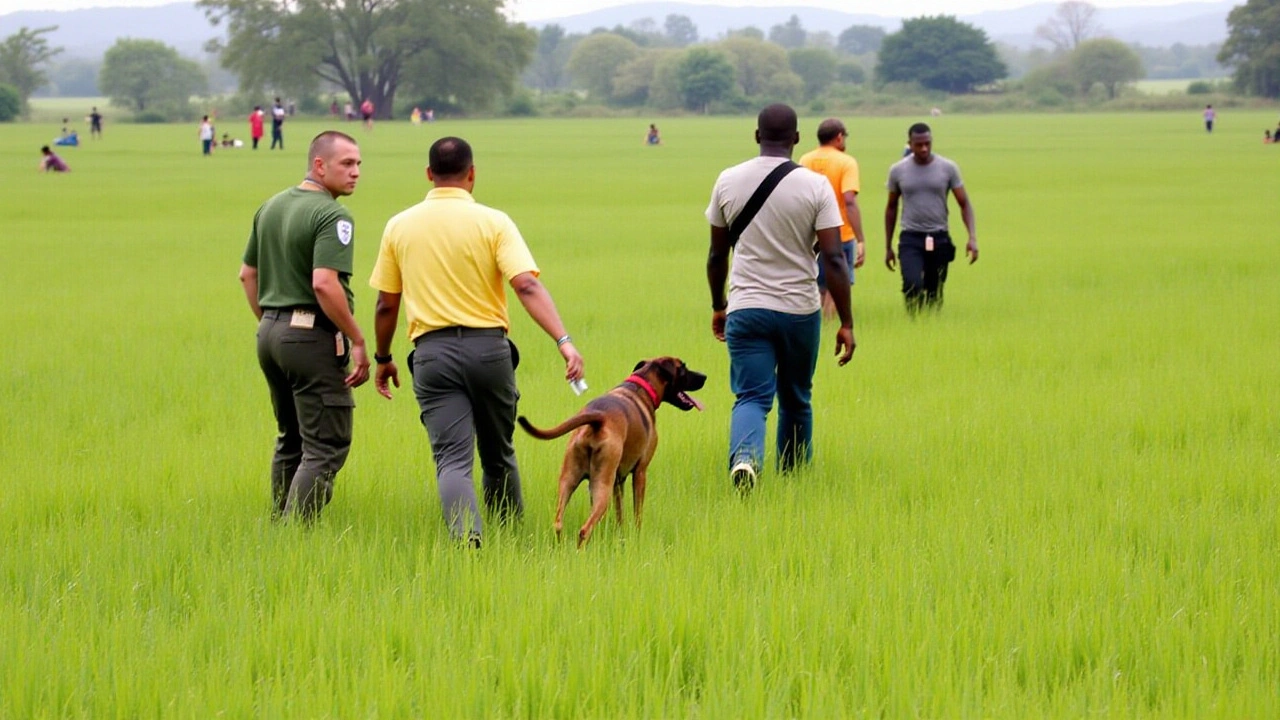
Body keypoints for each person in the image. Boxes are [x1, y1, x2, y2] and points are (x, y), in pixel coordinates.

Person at [368, 136, 584, 546]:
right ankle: (511, 534)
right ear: (472, 174)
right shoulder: (494, 222)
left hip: (431, 354)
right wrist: (564, 340)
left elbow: (384, 305)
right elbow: (525, 286)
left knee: (452, 460)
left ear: (429, 175)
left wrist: (383, 357)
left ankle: (468, 538)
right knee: (499, 451)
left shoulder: (399, 225)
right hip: (490, 352)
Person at [705, 104, 855, 494]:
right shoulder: (815, 186)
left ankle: (744, 460)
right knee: (796, 396)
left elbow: (717, 255)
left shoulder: (727, 180)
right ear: (797, 139)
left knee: (751, 396)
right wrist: (847, 322)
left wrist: (718, 305)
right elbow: (835, 259)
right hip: (799, 311)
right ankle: (794, 478)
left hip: (747, 308)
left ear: (756, 136)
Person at [238, 131, 371, 521]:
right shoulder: (332, 215)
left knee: (291, 438)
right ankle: (297, 531)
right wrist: (357, 338)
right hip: (310, 338)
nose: (356, 172)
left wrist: (272, 322)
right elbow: (324, 283)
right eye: (347, 164)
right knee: (325, 445)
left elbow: (248, 275)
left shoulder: (271, 206)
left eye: (359, 164)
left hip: (271, 334)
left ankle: (282, 523)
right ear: (319, 165)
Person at [884, 122, 979, 315]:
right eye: (918, 144)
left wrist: (972, 237)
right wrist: (888, 247)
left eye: (927, 143)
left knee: (934, 288)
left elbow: (964, 203)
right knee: (912, 283)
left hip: (939, 236)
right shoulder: (898, 170)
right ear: (909, 144)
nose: (924, 148)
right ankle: (914, 321)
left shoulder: (948, 168)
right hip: (911, 237)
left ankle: (931, 322)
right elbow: (891, 207)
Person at [799, 117, 866, 320]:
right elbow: (849, 200)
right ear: (839, 137)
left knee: (819, 286)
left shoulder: (805, 160)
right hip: (840, 233)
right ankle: (827, 329)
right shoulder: (846, 162)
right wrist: (860, 238)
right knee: (837, 286)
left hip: (811, 233)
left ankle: (817, 327)